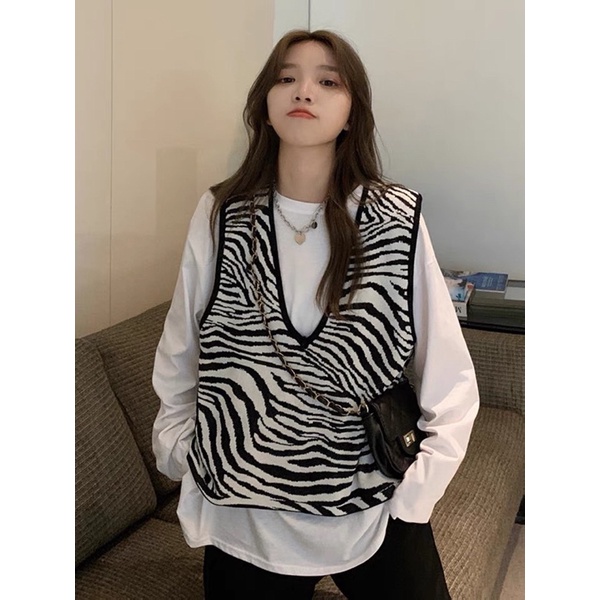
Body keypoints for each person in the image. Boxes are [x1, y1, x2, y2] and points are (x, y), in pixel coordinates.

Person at [152, 29, 479, 599]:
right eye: (286, 77)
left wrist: (417, 494)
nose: (304, 90)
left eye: (328, 81)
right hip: (243, 510)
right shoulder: (222, 214)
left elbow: (447, 371)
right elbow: (181, 345)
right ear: (265, 104)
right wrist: (182, 450)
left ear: (353, 112)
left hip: (370, 504)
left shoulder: (394, 218)